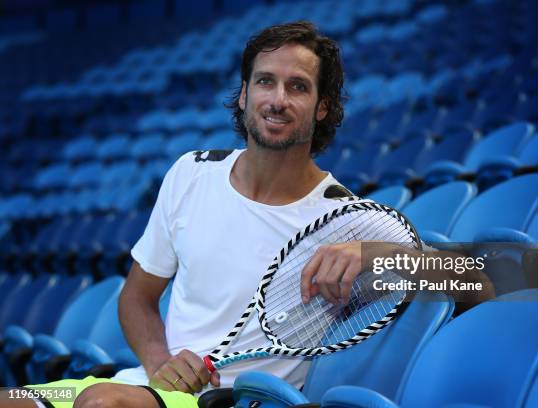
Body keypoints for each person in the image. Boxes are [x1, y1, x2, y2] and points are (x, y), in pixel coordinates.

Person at [0, 20, 363, 408]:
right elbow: (137, 298)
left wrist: (368, 253)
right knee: (12, 399)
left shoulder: (341, 214)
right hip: (143, 386)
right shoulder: (191, 172)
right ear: (243, 94)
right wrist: (160, 363)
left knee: (101, 404)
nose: (278, 99)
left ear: (322, 106)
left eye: (298, 87)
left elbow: (439, 277)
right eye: (264, 82)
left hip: (226, 401)